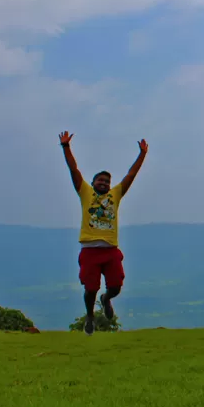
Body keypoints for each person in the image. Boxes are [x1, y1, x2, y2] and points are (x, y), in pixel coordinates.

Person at [59, 131, 147, 335]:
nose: (104, 183)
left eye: (107, 181)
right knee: (90, 289)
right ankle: (90, 316)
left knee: (116, 287)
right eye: (100, 180)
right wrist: (66, 147)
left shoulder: (115, 195)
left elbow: (130, 175)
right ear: (92, 183)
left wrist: (142, 154)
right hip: (89, 250)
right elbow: (74, 169)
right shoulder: (84, 192)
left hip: (110, 250)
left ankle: (106, 299)